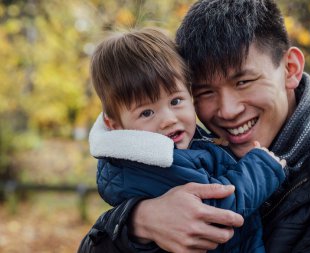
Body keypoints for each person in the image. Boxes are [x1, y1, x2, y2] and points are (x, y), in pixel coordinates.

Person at [78, 1, 310, 253]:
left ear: (290, 69)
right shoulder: (182, 157)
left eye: (243, 82)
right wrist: (135, 224)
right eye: (205, 91)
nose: (228, 110)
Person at [86, 27, 286, 253]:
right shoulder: (154, 161)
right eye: (146, 113)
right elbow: (214, 211)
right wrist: (262, 168)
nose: (168, 120)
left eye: (175, 101)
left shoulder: (188, 145)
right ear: (115, 124)